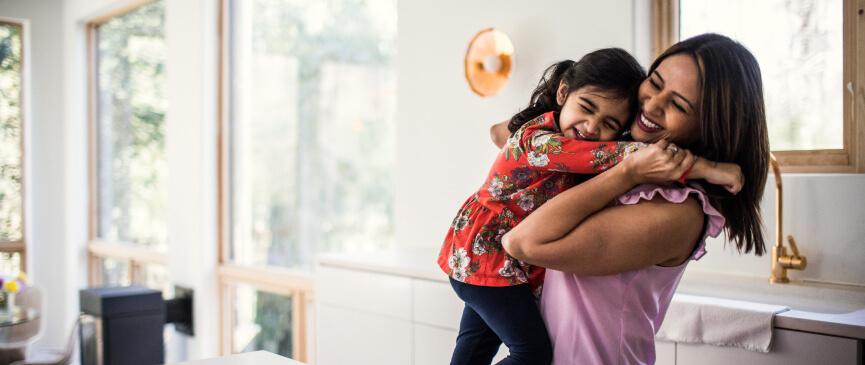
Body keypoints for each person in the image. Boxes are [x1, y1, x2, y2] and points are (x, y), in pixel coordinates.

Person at [439, 48, 741, 365]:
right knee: (528, 352)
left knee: (474, 349)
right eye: (587, 107)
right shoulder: (548, 142)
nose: (592, 127)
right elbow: (621, 157)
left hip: (487, 256)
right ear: (563, 92)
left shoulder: (672, 206)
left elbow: (614, 153)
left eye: (609, 122)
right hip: (486, 253)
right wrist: (709, 168)